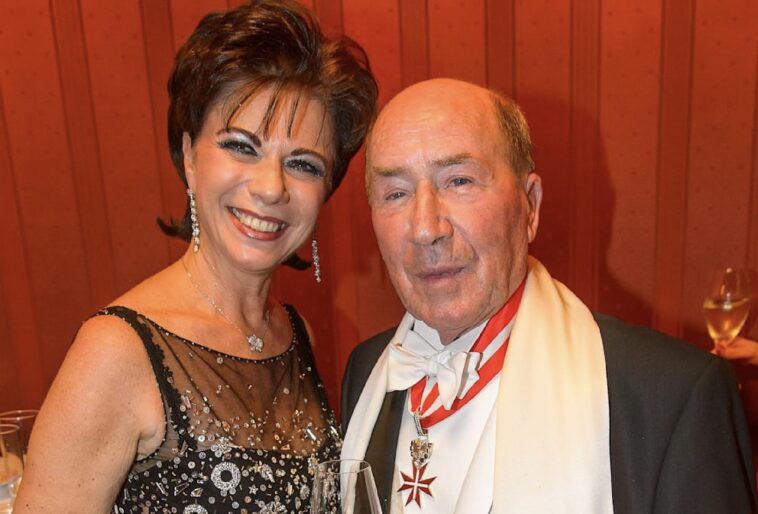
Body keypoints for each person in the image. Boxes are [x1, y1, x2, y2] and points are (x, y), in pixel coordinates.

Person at [14, 1, 376, 512]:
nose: (271, 188)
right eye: (242, 147)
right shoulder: (117, 351)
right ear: (189, 156)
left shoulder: (296, 338)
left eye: (303, 164)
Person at [340, 78, 755, 514]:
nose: (426, 229)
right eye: (396, 193)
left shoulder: (672, 397)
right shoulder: (368, 371)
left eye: (459, 181)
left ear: (530, 206)